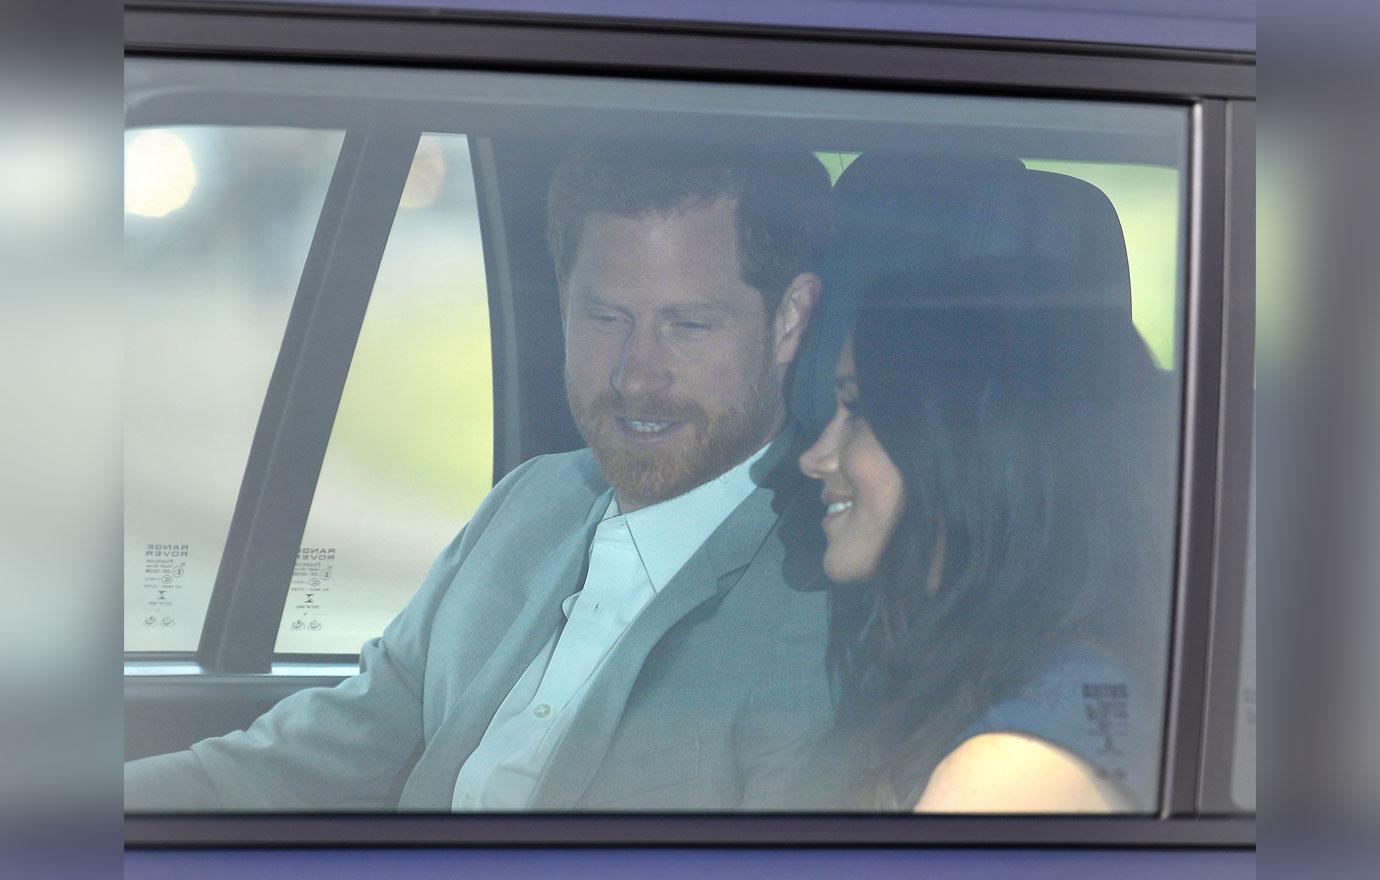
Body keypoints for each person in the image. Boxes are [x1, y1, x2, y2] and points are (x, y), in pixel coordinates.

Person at [125, 141, 834, 811]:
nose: (635, 375)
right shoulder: (528, 506)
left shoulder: (832, 597)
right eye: (605, 316)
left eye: (688, 326)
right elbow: (301, 762)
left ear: (789, 321)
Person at [795, 157, 1177, 812]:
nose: (816, 457)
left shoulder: (1011, 772)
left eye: (857, 410)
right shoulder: (1034, 683)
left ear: (971, 449)